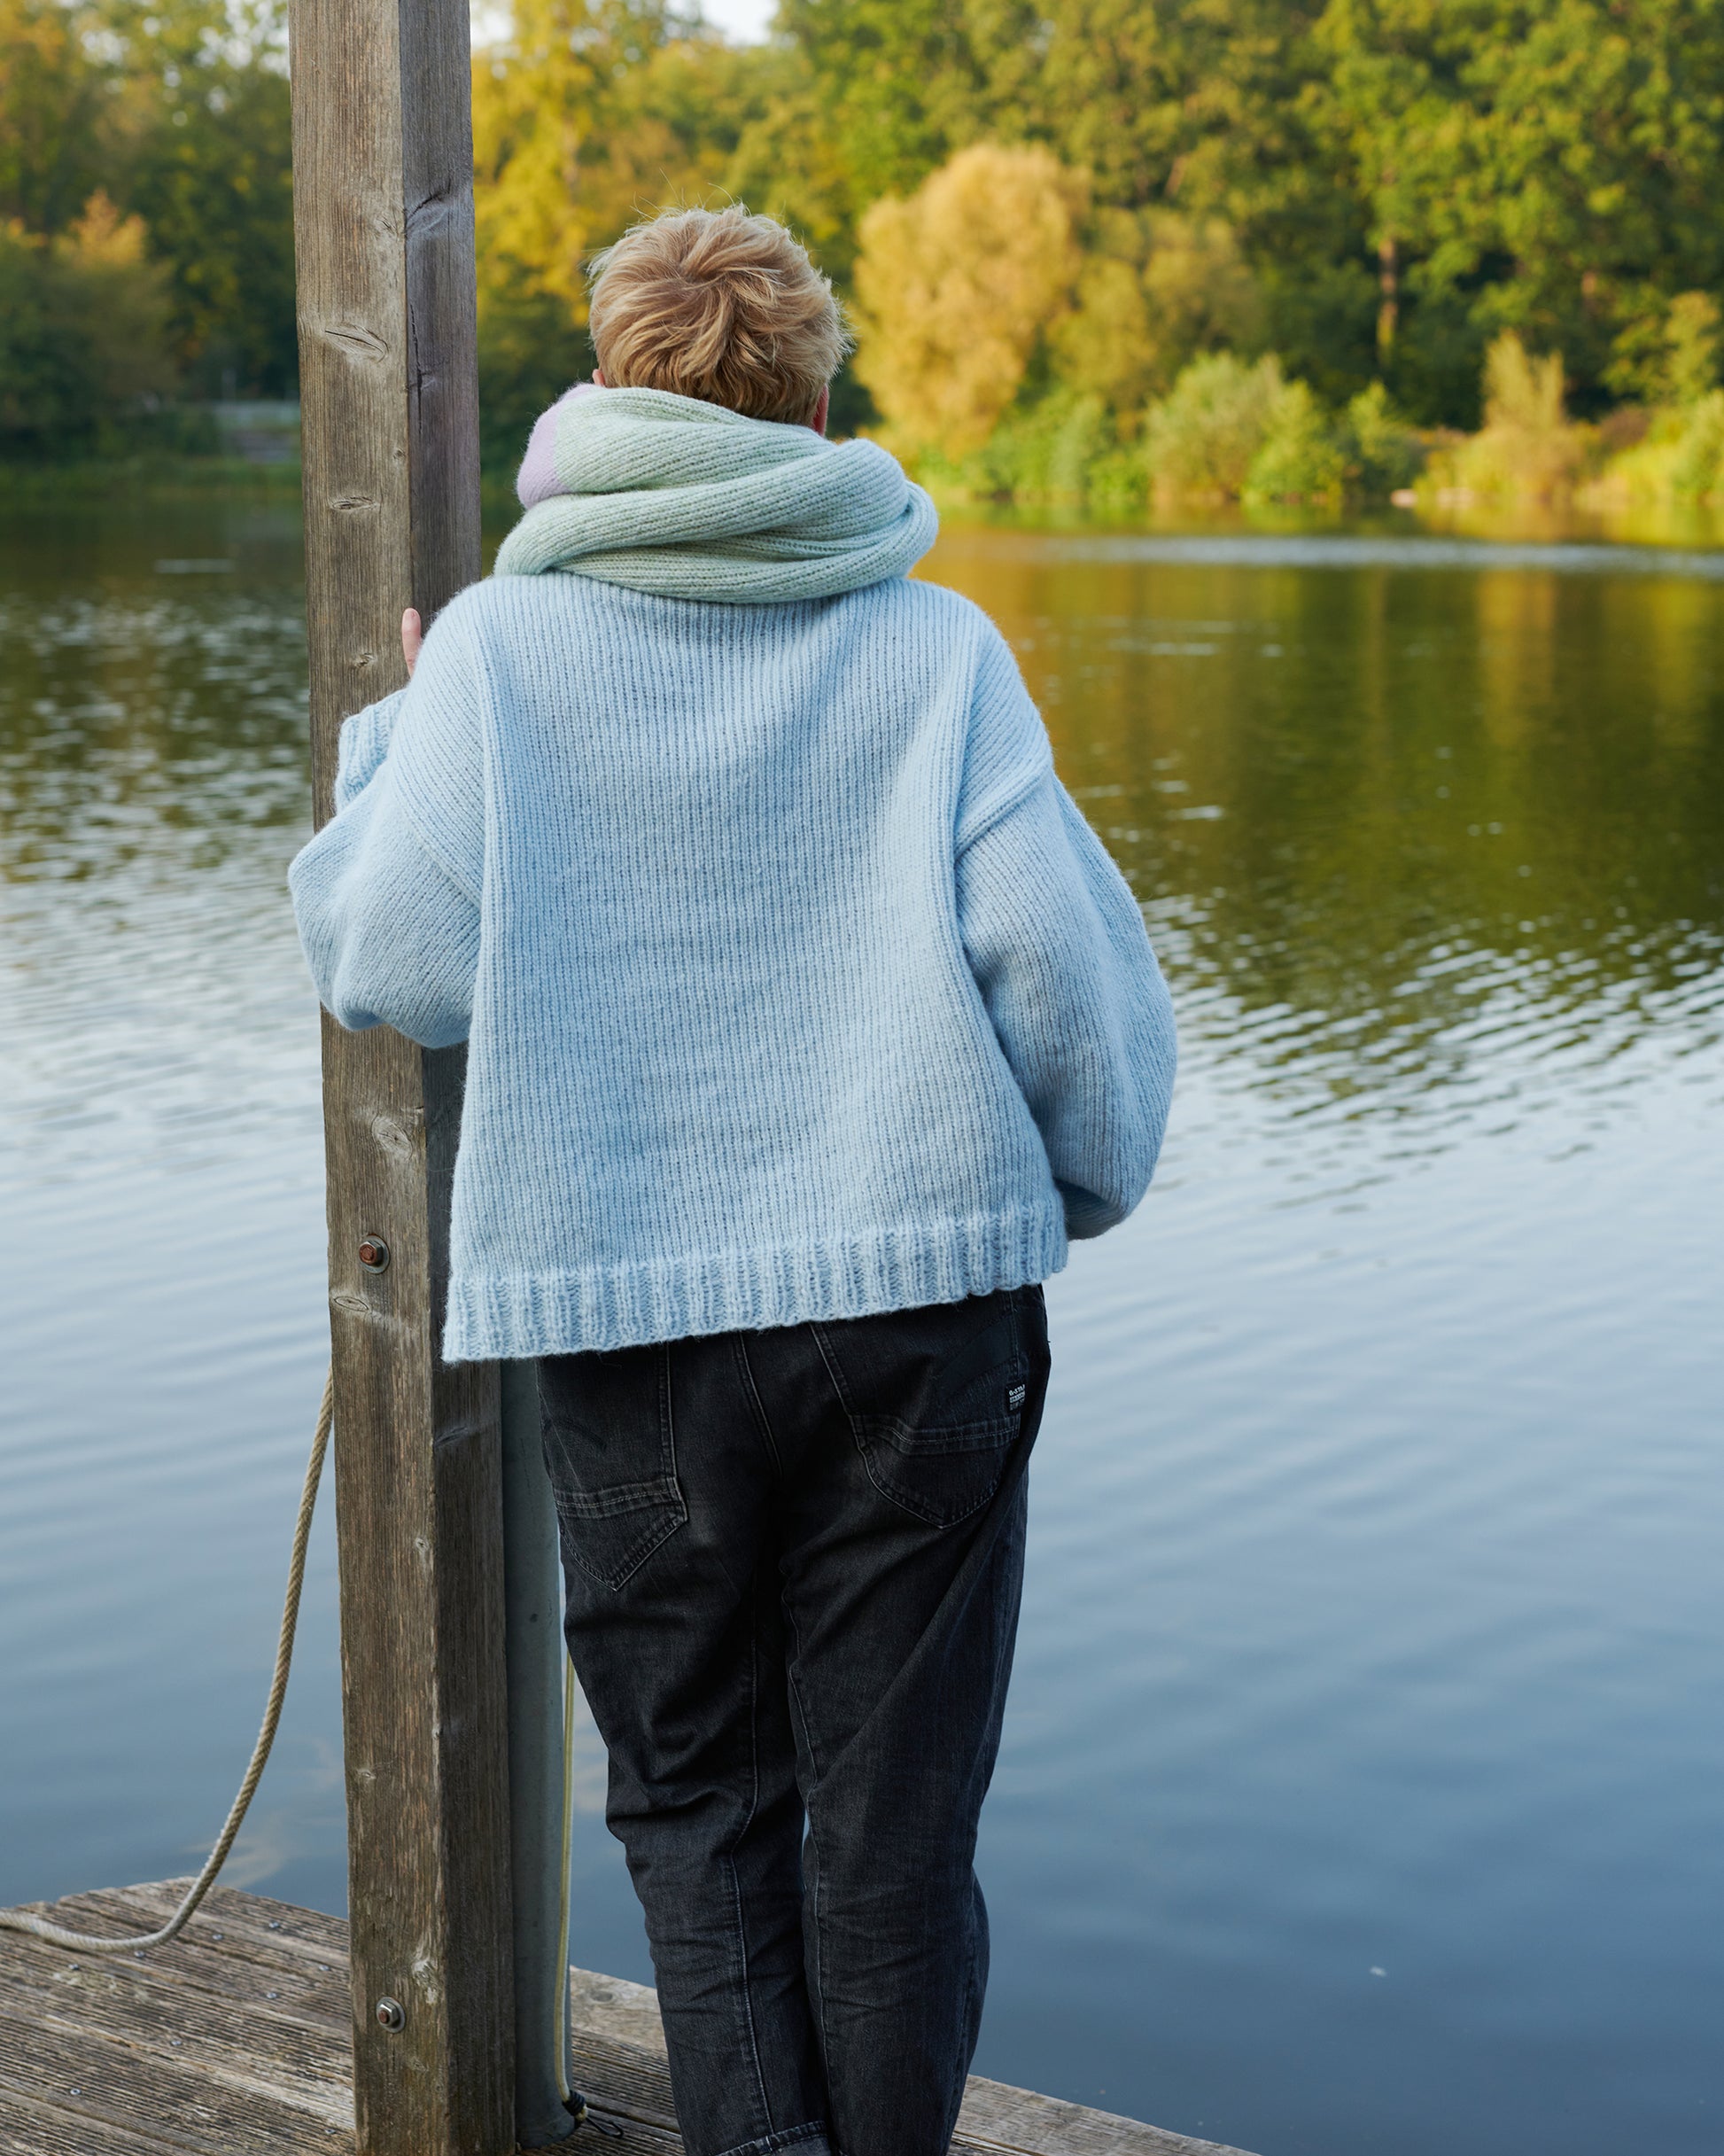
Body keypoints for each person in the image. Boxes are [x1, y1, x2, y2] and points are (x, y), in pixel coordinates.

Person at [290, 204, 1176, 2156]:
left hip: (628, 1321)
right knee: (893, 1830)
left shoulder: (507, 651)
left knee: (698, 1805)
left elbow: (398, 961)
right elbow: (1070, 1002)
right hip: (924, 1327)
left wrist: (403, 733)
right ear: (818, 398)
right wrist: (1064, 1198)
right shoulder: (937, 647)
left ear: (603, 388)